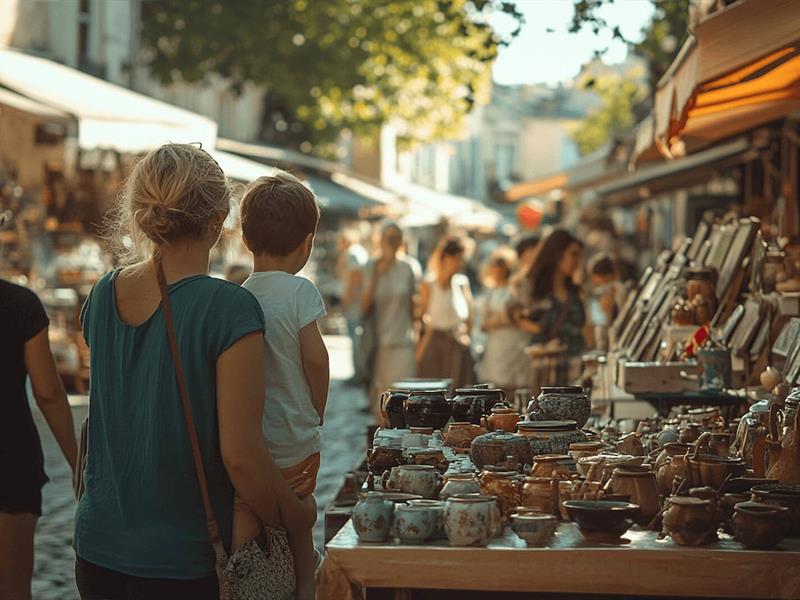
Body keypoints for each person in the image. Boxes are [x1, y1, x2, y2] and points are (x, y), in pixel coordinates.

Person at [75, 144, 314, 600]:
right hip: (181, 560)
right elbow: (241, 456)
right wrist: (296, 516)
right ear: (220, 219)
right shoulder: (229, 309)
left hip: (97, 546)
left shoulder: (102, 294)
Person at [239, 173, 329, 600]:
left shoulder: (239, 296)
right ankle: (304, 587)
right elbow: (315, 357)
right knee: (299, 521)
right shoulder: (300, 292)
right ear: (307, 243)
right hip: (295, 440)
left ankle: (257, 580)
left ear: (245, 237)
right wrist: (318, 408)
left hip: (253, 442)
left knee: (259, 516)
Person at [0, 280, 77, 600]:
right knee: (13, 588)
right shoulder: (19, 303)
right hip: (10, 460)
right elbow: (48, 393)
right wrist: (78, 462)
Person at [510, 228, 586, 387]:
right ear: (557, 254)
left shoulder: (575, 292)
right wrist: (541, 333)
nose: (577, 261)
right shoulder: (531, 287)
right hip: (541, 374)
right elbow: (516, 316)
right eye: (573, 254)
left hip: (574, 375)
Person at [362, 221, 421, 419]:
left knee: (405, 397)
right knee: (382, 401)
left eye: (396, 238)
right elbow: (364, 306)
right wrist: (378, 273)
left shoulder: (409, 267)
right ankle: (383, 444)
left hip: (404, 341)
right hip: (378, 344)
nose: (393, 242)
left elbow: (415, 306)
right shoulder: (372, 266)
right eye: (389, 238)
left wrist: (419, 337)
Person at [417, 236, 475, 388]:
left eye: (461, 259)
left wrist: (467, 337)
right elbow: (420, 318)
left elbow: (469, 317)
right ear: (444, 258)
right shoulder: (429, 283)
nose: (458, 263)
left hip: (457, 343)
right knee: (434, 389)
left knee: (458, 389)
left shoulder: (462, 283)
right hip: (435, 344)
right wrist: (419, 348)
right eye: (455, 258)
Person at [475, 247, 530, 397]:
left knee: (516, 384)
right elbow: (484, 324)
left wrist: (502, 318)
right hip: (497, 345)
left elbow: (519, 316)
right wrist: (503, 318)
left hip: (515, 342)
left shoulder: (515, 289)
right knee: (497, 385)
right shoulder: (489, 293)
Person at [336, 229, 369, 385]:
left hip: (354, 304)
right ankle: (359, 373)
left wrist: (347, 297)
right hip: (356, 303)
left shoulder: (353, 253)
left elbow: (356, 274)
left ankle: (359, 375)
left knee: (356, 340)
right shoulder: (357, 252)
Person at [586, 253, 621, 352]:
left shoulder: (599, 294)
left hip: (605, 341)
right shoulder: (623, 290)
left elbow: (597, 321)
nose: (593, 280)